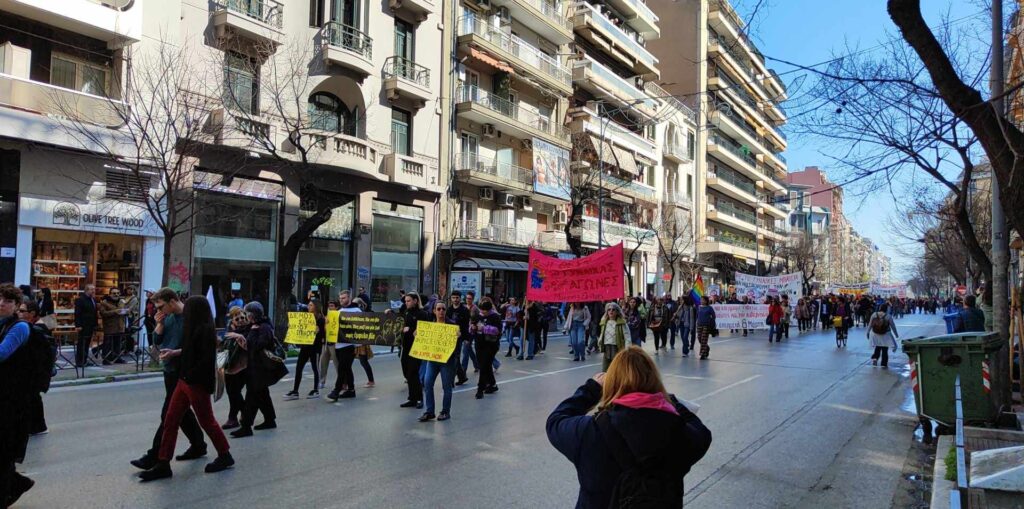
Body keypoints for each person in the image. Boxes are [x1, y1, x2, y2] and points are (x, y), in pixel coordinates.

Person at [546, 346, 712, 508]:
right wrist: (671, 401)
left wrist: (591, 389)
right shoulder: (678, 432)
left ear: (611, 384)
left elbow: (556, 421)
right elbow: (702, 432)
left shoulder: (590, 431)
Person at [138, 296, 234, 481]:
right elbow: (189, 351)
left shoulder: (204, 330)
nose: (185, 311)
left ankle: (225, 454)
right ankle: (163, 462)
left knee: (207, 421)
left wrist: (188, 375)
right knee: (170, 420)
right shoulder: (193, 327)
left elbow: (205, 359)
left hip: (195, 382)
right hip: (184, 380)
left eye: (189, 308)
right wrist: (176, 354)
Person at [130, 288, 208, 471]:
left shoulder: (190, 318)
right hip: (170, 370)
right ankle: (198, 445)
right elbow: (157, 340)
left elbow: (196, 347)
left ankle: (155, 456)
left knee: (168, 414)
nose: (159, 310)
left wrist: (175, 353)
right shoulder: (168, 318)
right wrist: (159, 324)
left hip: (184, 371)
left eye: (161, 306)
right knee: (182, 412)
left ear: (172, 301)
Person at [0, 284, 46, 507]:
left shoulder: (20, 328)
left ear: (17, 306)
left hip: (14, 400)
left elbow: (2, 353)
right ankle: (17, 483)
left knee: (4, 449)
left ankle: (12, 486)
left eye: (7, 301)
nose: (1, 304)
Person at [229, 302, 278, 438]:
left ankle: (246, 426)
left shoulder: (263, 327)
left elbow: (259, 346)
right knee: (262, 395)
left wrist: (246, 341)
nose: (245, 316)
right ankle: (270, 420)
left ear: (252, 314)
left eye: (247, 313)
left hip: (260, 368)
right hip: (255, 366)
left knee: (252, 397)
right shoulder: (256, 326)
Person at [16, 301, 53, 436]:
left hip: (35, 372)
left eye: (21, 311)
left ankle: (37, 427)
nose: (18, 313)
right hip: (35, 372)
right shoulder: (35, 326)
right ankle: (37, 426)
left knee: (31, 398)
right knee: (32, 399)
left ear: (31, 314)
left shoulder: (37, 329)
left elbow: (40, 354)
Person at [419, 302, 458, 422]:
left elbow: (456, 345)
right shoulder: (430, 325)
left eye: (443, 309)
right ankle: (430, 411)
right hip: (432, 360)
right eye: (439, 309)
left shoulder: (451, 325)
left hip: (447, 361)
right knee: (427, 384)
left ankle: (445, 412)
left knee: (446, 387)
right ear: (434, 311)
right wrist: (418, 335)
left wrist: (457, 336)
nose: (441, 311)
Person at [398, 292, 430, 409]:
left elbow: (425, 330)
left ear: (416, 301)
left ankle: (419, 399)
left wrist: (411, 329)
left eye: (409, 301)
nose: (406, 303)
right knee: (406, 372)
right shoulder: (406, 312)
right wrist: (389, 313)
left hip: (416, 348)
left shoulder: (422, 314)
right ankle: (412, 398)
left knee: (413, 373)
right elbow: (398, 321)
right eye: (405, 301)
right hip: (405, 347)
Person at [285, 300, 323, 400]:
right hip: (305, 346)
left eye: (311, 305)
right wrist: (292, 326)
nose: (308, 306)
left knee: (315, 368)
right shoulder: (305, 317)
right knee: (299, 367)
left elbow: (323, 335)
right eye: (309, 305)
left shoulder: (320, 319)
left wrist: (319, 331)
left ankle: (315, 389)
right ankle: (295, 391)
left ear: (316, 307)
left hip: (315, 348)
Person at [327, 291, 360, 401]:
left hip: (350, 345)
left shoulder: (357, 311)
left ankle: (336, 391)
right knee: (346, 368)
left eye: (344, 298)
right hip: (339, 345)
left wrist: (358, 345)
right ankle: (351, 390)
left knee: (342, 368)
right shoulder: (338, 312)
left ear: (349, 298)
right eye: (340, 298)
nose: (341, 300)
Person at [220, 307, 249, 430]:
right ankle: (243, 413)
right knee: (232, 393)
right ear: (232, 320)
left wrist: (239, 337)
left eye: (242, 317)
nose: (240, 320)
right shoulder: (229, 330)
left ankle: (234, 418)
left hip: (242, 367)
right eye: (237, 318)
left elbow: (249, 346)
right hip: (229, 366)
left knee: (235, 393)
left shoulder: (248, 330)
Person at [474, 300, 503, 399]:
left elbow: (497, 331)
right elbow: (472, 325)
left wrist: (484, 328)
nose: (482, 312)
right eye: (481, 310)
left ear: (489, 309)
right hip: (479, 343)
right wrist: (472, 328)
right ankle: (492, 384)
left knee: (483, 367)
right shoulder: (478, 315)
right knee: (485, 366)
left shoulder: (495, 317)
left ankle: (480, 389)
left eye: (484, 311)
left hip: (490, 345)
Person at [445, 291, 470, 385]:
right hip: (449, 337)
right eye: (453, 298)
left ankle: (450, 380)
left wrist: (466, 338)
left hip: (459, 338)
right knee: (453, 358)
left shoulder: (464, 310)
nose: (455, 300)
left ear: (460, 298)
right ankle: (462, 376)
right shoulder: (448, 310)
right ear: (451, 299)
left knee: (455, 358)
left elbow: (466, 326)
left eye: (457, 298)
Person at [98, 287, 127, 364]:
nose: (116, 295)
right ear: (110, 294)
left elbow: (124, 310)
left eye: (118, 293)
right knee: (108, 344)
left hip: (120, 326)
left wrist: (126, 312)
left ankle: (117, 358)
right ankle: (106, 359)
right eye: (114, 293)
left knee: (118, 344)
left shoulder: (122, 302)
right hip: (110, 326)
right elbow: (103, 313)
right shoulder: (104, 302)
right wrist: (115, 312)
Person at [351, 298, 376, 388]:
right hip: (354, 339)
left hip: (361, 341)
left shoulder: (360, 313)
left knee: (363, 361)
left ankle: (371, 380)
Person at [73, 284, 99, 368]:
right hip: (83, 325)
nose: (93, 291)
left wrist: (95, 325)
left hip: (90, 325)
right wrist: (78, 325)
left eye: (94, 289)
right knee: (81, 344)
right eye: (91, 290)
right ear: (86, 290)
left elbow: (94, 313)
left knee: (87, 344)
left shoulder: (93, 300)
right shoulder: (80, 300)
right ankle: (80, 361)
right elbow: (77, 313)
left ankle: (84, 360)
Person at [867, 303, 900, 368]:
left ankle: (875, 358)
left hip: (875, 333)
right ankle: (883, 363)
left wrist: (868, 332)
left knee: (878, 346)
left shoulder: (874, 314)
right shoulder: (888, 316)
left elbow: (870, 324)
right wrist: (896, 334)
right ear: (886, 309)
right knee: (885, 348)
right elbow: (893, 326)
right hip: (885, 334)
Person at [598, 302, 627, 372]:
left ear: (617, 312)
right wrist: (599, 342)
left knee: (616, 367)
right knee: (605, 368)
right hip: (606, 346)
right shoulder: (604, 322)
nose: (611, 311)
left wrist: (627, 349)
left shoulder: (621, 323)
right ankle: (605, 380)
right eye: (609, 309)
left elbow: (627, 336)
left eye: (613, 310)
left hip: (616, 347)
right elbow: (602, 334)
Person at [319, 299, 339, 389]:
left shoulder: (339, 316)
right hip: (326, 343)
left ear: (336, 307)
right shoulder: (325, 317)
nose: (330, 308)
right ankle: (322, 381)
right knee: (323, 362)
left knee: (337, 363)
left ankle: (341, 381)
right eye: (329, 306)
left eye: (332, 306)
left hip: (335, 343)